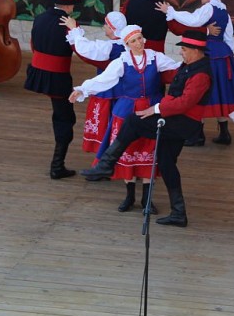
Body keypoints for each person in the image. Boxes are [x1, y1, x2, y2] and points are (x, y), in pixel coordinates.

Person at [79, 30, 213, 228]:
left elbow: (184, 102)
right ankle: (178, 213)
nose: (181, 53)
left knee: (133, 121)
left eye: (184, 49)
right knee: (166, 164)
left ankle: (106, 163)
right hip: (175, 119)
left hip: (182, 123)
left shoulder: (201, 74)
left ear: (195, 50)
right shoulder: (190, 66)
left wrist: (156, 108)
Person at [70, 25, 180, 213]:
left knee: (150, 152)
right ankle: (129, 196)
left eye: (140, 38)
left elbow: (177, 67)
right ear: (127, 44)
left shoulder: (155, 57)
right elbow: (103, 80)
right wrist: (83, 89)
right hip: (127, 112)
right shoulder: (121, 61)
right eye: (133, 40)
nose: (139, 43)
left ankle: (147, 199)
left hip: (151, 110)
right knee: (128, 152)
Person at [156, 0, 234, 146]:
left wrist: (172, 12)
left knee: (200, 93)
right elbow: (229, 38)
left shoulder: (208, 8)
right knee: (220, 92)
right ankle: (224, 133)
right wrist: (224, 51)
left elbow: (193, 20)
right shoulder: (223, 11)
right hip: (223, 55)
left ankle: (197, 135)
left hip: (207, 54)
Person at [24, 0, 80, 179]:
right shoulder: (70, 25)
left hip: (37, 73)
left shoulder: (39, 18)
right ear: (69, 5)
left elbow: (33, 44)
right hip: (57, 77)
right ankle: (57, 166)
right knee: (65, 118)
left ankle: (58, 164)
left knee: (61, 115)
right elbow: (80, 49)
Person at [62, 11, 127, 153]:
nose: (104, 27)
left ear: (112, 28)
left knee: (106, 123)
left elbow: (85, 50)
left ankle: (105, 155)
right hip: (124, 93)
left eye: (106, 25)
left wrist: (74, 30)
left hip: (107, 91)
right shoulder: (126, 45)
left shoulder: (110, 47)